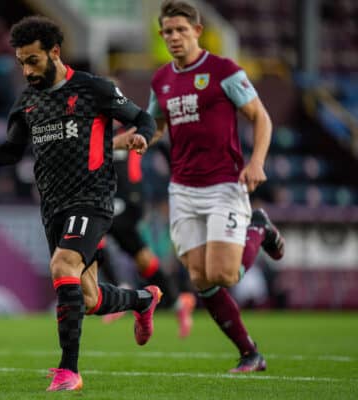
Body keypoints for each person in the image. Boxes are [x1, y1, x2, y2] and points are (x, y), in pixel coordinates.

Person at [0, 16, 162, 392]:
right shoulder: (27, 101)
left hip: (92, 199)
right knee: (90, 298)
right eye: (21, 62)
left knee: (62, 264)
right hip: (53, 207)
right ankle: (143, 299)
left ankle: (69, 370)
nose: (27, 70)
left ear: (55, 52)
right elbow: (11, 152)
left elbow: (142, 117)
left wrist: (142, 136)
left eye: (33, 60)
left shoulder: (93, 88)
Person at [147, 0, 285, 373]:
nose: (173, 37)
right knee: (200, 279)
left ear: (197, 30)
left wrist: (256, 162)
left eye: (180, 30)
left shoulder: (223, 70)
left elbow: (261, 118)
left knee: (225, 275)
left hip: (224, 183)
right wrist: (127, 139)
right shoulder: (161, 79)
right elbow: (154, 125)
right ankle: (249, 353)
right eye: (167, 32)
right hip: (182, 189)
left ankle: (258, 227)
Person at [100, 121, 196, 338]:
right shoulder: (98, 133)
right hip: (109, 200)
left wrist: (177, 175)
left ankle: (119, 289)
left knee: (95, 232)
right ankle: (179, 302)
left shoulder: (131, 131)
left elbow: (161, 142)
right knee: (142, 258)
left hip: (130, 200)